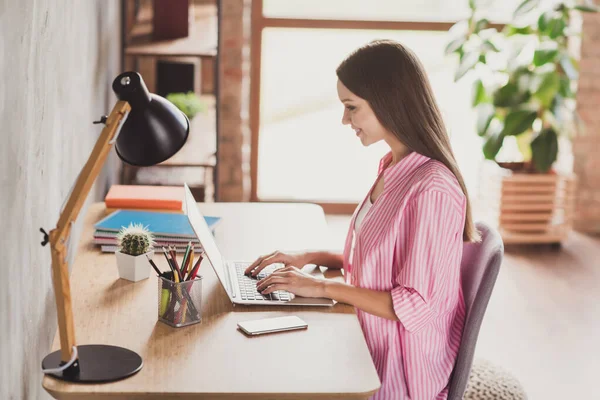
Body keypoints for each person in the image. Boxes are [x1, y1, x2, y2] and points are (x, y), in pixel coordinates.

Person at [244, 39, 480, 400]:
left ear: (389, 101)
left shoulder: (432, 189)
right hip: (368, 339)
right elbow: (380, 266)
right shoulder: (393, 166)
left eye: (351, 107)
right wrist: (307, 259)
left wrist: (321, 288)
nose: (345, 120)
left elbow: (414, 305)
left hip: (399, 371)